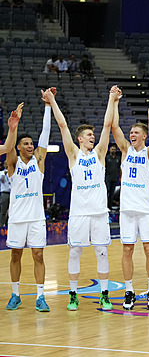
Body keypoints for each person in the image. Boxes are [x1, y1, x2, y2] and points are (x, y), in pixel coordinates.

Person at [45, 86, 118, 311]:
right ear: (79, 139)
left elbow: (107, 125)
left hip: (98, 212)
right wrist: (52, 101)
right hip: (78, 213)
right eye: (88, 135)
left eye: (92, 135)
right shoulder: (73, 155)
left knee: (102, 252)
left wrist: (111, 99)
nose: (92, 137)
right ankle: (73, 295)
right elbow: (63, 125)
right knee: (75, 252)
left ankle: (104, 295)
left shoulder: (100, 154)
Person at [112, 91, 149, 310]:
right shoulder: (125, 151)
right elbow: (114, 128)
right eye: (131, 132)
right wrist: (114, 102)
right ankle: (129, 291)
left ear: (143, 136)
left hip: (146, 210)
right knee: (127, 250)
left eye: (135, 132)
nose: (132, 134)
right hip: (127, 210)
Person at [5, 93, 52, 312]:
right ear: (20, 147)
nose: (31, 146)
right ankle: (15, 295)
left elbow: (45, 134)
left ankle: (40, 297)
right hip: (17, 217)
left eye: (31, 143)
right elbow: (9, 147)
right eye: (26, 144)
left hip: (36, 218)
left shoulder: (38, 161)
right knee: (16, 255)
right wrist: (13, 128)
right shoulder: (13, 163)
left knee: (38, 255)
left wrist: (48, 106)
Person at [105, 143, 120, 210]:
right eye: (112, 149)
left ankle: (110, 206)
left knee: (112, 193)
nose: (113, 150)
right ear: (109, 150)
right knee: (107, 192)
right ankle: (105, 206)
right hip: (108, 178)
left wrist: (120, 177)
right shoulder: (107, 158)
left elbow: (120, 168)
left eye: (114, 149)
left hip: (114, 178)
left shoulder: (118, 158)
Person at [0, 161, 10, 226]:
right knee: (3, 211)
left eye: (7, 164)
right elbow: (1, 180)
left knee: (12, 211)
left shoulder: (12, 172)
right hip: (4, 193)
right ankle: (1, 225)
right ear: (4, 165)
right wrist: (5, 174)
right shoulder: (1, 173)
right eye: (5, 164)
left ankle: (9, 225)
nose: (6, 165)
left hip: (12, 193)